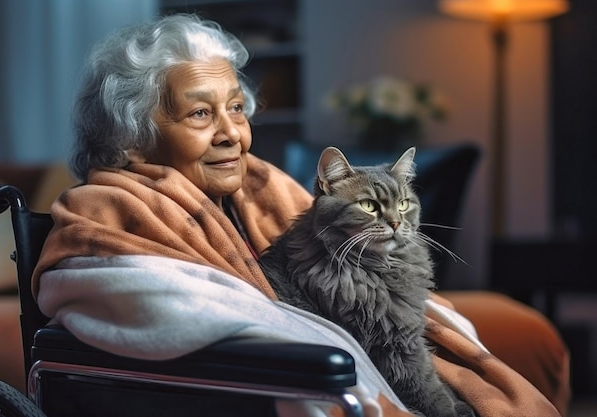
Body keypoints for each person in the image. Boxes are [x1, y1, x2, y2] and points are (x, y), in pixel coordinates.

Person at [32, 13, 567, 417]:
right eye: (200, 113)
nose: (233, 134)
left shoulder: (262, 186)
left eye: (236, 108)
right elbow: (177, 314)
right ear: (132, 138)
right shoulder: (106, 210)